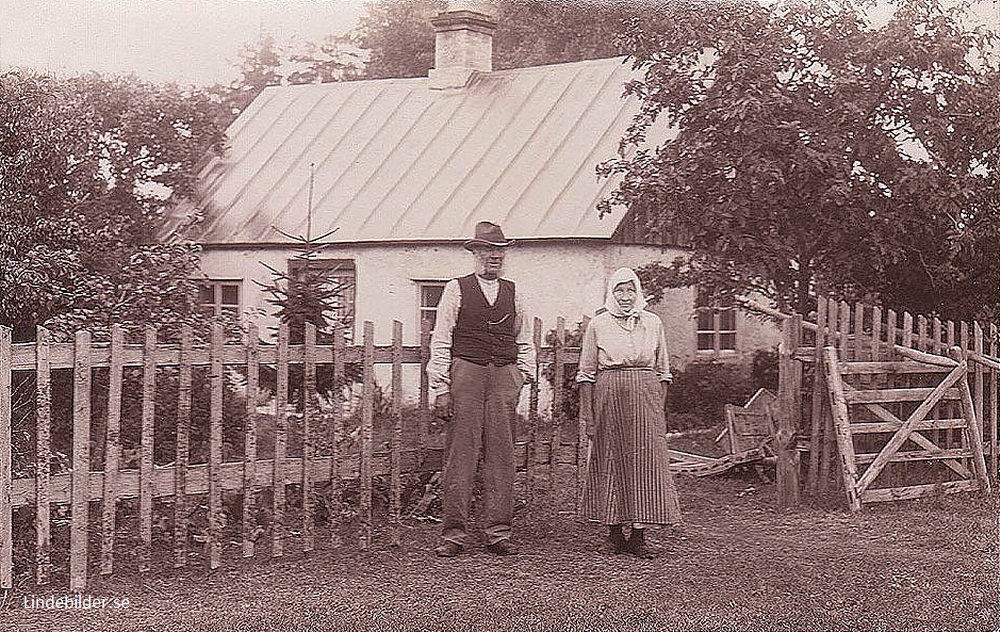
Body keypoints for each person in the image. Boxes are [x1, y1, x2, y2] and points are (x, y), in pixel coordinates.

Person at [427, 221, 536, 557]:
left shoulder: (514, 291)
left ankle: (498, 532)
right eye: (487, 250)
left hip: (503, 376)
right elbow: (442, 338)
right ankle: (454, 535)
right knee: (461, 454)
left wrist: (522, 374)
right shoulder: (456, 288)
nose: (494, 257)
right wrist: (441, 387)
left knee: (502, 456)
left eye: (499, 251)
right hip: (467, 374)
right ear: (474, 253)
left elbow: (525, 338)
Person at [576, 267, 682, 558]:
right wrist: (589, 417)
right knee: (611, 458)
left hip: (645, 396)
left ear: (638, 293)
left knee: (643, 462)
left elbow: (663, 372)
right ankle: (612, 534)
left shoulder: (652, 322)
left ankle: (638, 535)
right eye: (619, 291)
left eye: (630, 290)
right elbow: (586, 374)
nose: (625, 297)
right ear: (611, 294)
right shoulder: (598, 324)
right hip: (609, 394)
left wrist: (657, 410)